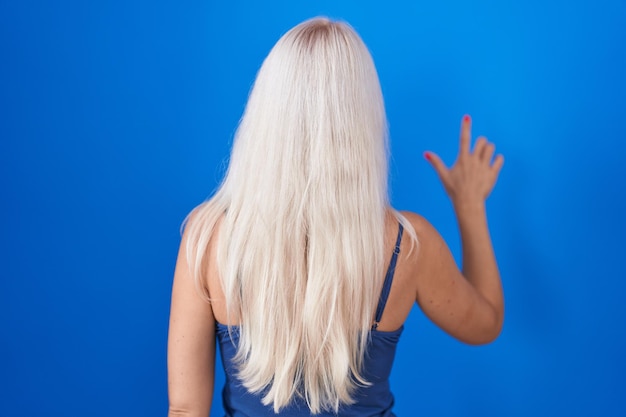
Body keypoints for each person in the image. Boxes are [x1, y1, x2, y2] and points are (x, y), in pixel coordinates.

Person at [167, 17, 504, 417]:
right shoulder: (407, 245)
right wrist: (470, 206)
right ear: (362, 122)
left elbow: (186, 409)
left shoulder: (206, 238)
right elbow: (486, 324)